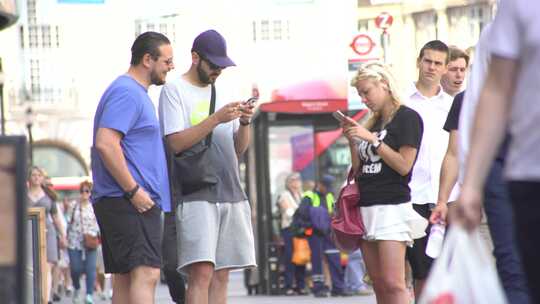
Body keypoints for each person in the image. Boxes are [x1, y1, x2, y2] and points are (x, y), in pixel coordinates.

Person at [158, 29, 256, 304]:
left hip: (231, 191)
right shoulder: (174, 90)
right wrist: (215, 119)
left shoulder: (225, 90)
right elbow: (176, 143)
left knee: (222, 275)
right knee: (201, 273)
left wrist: (246, 122)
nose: (217, 72)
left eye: (222, 67)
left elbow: (238, 148)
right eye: (213, 65)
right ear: (195, 58)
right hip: (196, 192)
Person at [454, 1, 539, 301]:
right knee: (517, 273)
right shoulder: (517, 8)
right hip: (522, 168)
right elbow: (489, 93)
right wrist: (470, 181)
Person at [91, 31, 174, 304]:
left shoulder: (130, 92)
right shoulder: (127, 92)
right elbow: (106, 143)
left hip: (123, 200)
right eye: (167, 60)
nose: (171, 66)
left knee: (126, 278)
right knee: (146, 273)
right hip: (129, 201)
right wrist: (134, 190)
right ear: (147, 59)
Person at [343, 62, 427, 304]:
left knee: (393, 282)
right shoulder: (372, 122)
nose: (363, 99)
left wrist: (373, 140)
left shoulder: (407, 118)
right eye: (360, 94)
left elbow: (403, 165)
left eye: (366, 91)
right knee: (378, 283)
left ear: (385, 85)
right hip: (366, 206)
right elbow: (358, 170)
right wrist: (353, 140)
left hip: (391, 206)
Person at [404, 40, 456, 298]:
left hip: (445, 199)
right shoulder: (400, 101)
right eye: (428, 61)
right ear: (419, 62)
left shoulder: (452, 106)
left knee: (445, 273)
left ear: (445, 68)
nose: (432, 67)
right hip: (410, 196)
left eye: (438, 63)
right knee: (421, 273)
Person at [292, 175, 345, 298]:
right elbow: (301, 215)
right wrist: (310, 226)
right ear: (319, 184)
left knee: (334, 258)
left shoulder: (330, 196)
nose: (328, 189)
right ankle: (318, 288)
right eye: (326, 187)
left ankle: (338, 287)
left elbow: (335, 213)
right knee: (317, 261)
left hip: (329, 233)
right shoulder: (309, 197)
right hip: (315, 234)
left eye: (329, 187)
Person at [27, 166, 67, 304]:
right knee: (30, 265)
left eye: (39, 175)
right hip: (29, 232)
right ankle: (32, 296)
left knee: (47, 265)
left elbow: (56, 218)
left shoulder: (49, 196)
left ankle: (46, 297)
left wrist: (62, 235)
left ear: (42, 178)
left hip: (48, 232)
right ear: (29, 178)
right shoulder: (23, 194)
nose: (36, 177)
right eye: (34, 175)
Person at [66, 181, 100, 304]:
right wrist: (63, 237)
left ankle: (89, 294)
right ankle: (77, 287)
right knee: (75, 268)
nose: (84, 194)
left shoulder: (95, 206)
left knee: (90, 268)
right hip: (74, 241)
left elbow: (100, 223)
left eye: (87, 191)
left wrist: (98, 236)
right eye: (82, 191)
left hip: (91, 240)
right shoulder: (74, 205)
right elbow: (67, 222)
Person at [277, 172, 306, 295]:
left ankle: (301, 285)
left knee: (301, 255)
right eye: (293, 180)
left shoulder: (303, 195)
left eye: (298, 180)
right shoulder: (284, 195)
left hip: (300, 229)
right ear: (288, 183)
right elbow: (288, 210)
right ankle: (289, 285)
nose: (296, 182)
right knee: (289, 256)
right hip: (289, 229)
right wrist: (298, 213)